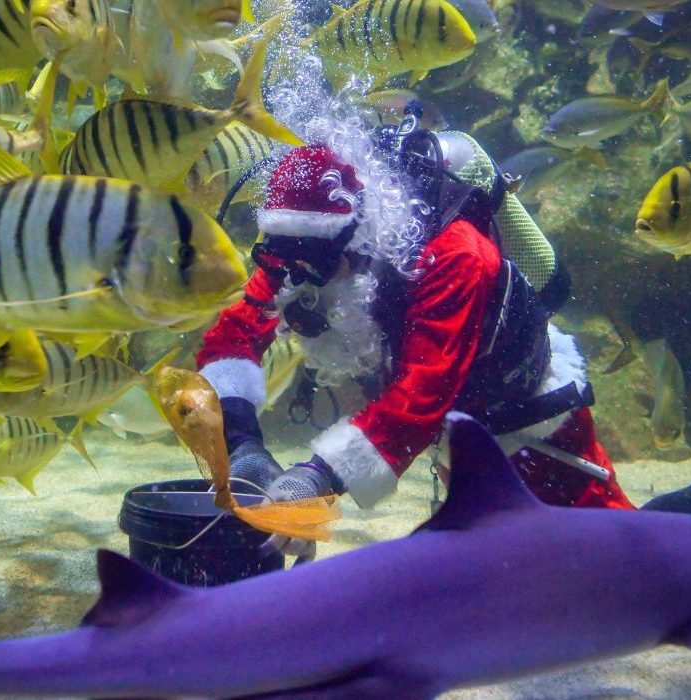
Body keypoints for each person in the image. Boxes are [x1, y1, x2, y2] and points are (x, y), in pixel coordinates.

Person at [196, 112, 635, 534]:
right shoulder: (302, 248)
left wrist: (317, 476)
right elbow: (231, 335)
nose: (297, 282)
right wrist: (241, 444)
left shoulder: (457, 255)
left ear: (359, 237)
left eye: (313, 266)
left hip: (532, 424)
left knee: (599, 537)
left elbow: (423, 391)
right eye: (284, 262)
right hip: (452, 436)